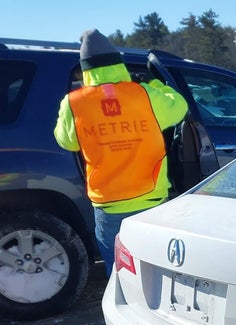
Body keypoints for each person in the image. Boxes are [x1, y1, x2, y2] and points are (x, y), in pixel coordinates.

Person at [54, 29, 188, 275]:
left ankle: (123, 307)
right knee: (156, 269)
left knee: (119, 271)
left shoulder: (73, 103)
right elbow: (180, 107)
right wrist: (155, 83)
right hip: (151, 199)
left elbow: (66, 141)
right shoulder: (144, 94)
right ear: (118, 64)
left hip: (108, 203)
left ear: (86, 70)